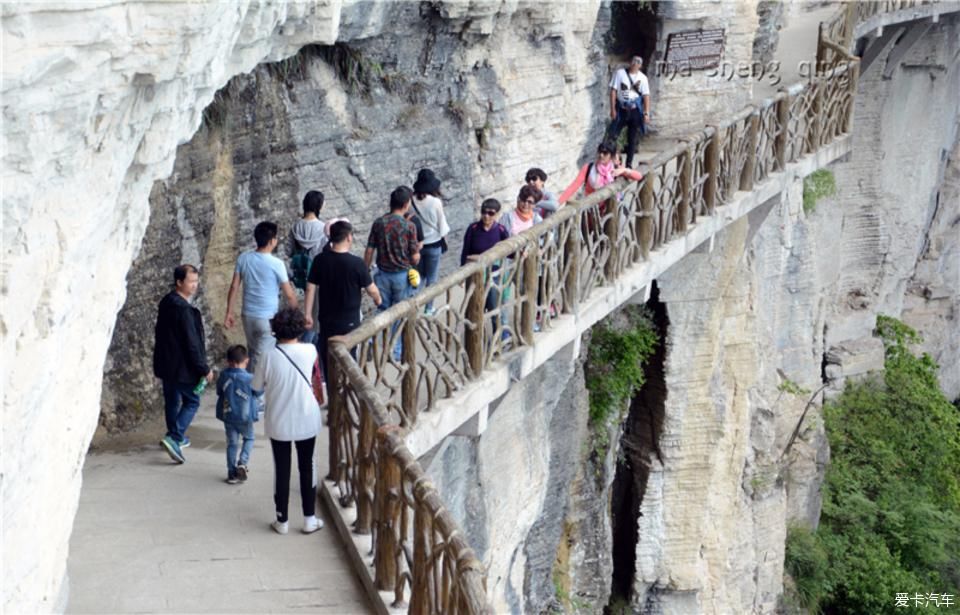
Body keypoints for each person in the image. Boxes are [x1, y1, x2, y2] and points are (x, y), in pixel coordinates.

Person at [252, 307, 324, 535]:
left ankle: (282, 520)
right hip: (306, 418)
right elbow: (316, 380)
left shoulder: (268, 356)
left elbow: (256, 387)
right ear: (300, 328)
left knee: (281, 469)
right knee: (307, 467)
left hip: (279, 420)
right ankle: (309, 518)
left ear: (276, 330)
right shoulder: (311, 350)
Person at [304, 221, 382, 385]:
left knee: (327, 354)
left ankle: (333, 392)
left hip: (326, 319)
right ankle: (347, 390)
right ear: (348, 237)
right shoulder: (356, 264)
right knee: (349, 357)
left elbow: (310, 288)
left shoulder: (320, 260)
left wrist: (307, 314)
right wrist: (378, 299)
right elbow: (371, 289)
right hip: (349, 321)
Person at [153, 264, 213, 464]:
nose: (195, 285)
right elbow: (192, 343)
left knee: (172, 399)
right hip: (181, 367)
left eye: (196, 281)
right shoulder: (185, 310)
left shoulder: (166, 302)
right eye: (191, 281)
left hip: (165, 363)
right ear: (179, 282)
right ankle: (175, 437)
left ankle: (173, 434)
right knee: (192, 401)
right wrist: (203, 368)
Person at [225, 221, 298, 373]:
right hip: (267, 318)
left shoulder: (243, 258)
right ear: (271, 241)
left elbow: (234, 287)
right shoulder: (277, 264)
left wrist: (229, 312)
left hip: (248, 316)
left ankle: (252, 390)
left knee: (253, 352)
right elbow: (289, 294)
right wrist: (296, 315)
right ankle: (255, 393)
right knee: (261, 360)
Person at [364, 186, 421, 313]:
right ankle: (397, 333)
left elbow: (369, 250)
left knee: (383, 311)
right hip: (402, 275)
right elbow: (415, 257)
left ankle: (385, 333)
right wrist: (416, 259)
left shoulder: (378, 223)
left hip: (382, 274)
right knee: (400, 312)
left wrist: (365, 271)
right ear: (406, 205)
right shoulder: (409, 226)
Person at [461, 198, 511, 334]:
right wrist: (462, 276)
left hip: (494, 275)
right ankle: (478, 341)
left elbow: (509, 252)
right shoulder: (473, 229)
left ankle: (498, 341)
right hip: (475, 275)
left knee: (494, 310)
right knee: (476, 311)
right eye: (484, 212)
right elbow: (466, 251)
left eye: (490, 213)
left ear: (497, 215)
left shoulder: (501, 230)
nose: (486, 216)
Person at [215, 345, 262, 484]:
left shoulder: (223, 375)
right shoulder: (249, 378)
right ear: (246, 360)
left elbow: (219, 391)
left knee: (232, 444)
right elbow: (259, 392)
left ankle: (231, 473)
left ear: (227, 361)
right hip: (245, 417)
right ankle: (242, 462)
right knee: (249, 438)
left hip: (228, 416)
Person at [411, 169, 450, 315]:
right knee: (432, 278)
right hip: (434, 244)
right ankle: (428, 308)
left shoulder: (412, 201)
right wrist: (445, 240)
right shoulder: (435, 202)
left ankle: (412, 303)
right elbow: (442, 225)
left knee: (419, 276)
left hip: (418, 245)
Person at [558, 141, 643, 205]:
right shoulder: (589, 168)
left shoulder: (615, 169)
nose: (601, 155)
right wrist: (558, 203)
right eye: (600, 152)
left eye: (605, 153)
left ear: (611, 156)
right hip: (591, 211)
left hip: (610, 212)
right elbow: (573, 187)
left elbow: (639, 176)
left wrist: (625, 170)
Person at [605, 55, 651, 169]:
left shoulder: (643, 78)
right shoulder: (620, 73)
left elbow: (646, 96)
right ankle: (614, 162)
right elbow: (613, 91)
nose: (635, 64)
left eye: (638, 62)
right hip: (621, 109)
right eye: (634, 61)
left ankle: (629, 164)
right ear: (630, 62)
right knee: (613, 135)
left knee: (632, 138)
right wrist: (612, 109)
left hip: (635, 110)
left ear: (641, 65)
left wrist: (646, 113)